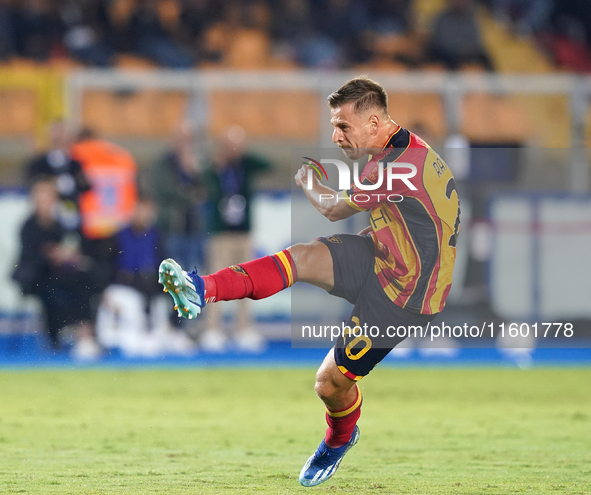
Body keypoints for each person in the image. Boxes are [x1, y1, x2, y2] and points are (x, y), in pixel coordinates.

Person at [157, 77, 460, 486]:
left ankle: (339, 438)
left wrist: (310, 182)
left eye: (343, 127)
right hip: (382, 256)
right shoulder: (399, 149)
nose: (336, 136)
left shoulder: (400, 166)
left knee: (329, 384)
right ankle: (202, 288)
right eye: (334, 126)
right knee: (301, 257)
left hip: (406, 295)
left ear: (374, 122)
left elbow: (333, 208)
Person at [200, 125, 271, 353]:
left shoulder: (245, 166)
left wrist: (243, 155)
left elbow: (267, 164)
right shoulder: (214, 169)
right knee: (216, 280)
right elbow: (202, 183)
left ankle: (243, 328)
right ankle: (212, 328)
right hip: (221, 233)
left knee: (247, 281)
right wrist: (217, 164)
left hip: (243, 232)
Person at [12, 177, 101, 360]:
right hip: (38, 276)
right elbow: (30, 258)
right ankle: (56, 337)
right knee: (51, 290)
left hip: (64, 274)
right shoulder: (28, 226)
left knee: (86, 280)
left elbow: (76, 243)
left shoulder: (63, 223)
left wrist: (69, 254)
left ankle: (85, 332)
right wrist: (50, 255)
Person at [26, 121, 91, 231]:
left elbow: (86, 187)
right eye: (56, 132)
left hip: (74, 214)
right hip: (47, 219)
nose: (60, 136)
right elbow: (32, 182)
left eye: (63, 132)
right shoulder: (38, 163)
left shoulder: (77, 164)